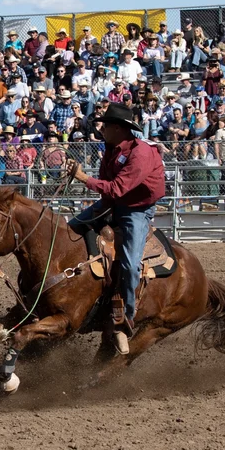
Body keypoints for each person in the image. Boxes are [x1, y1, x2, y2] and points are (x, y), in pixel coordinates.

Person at [65, 103, 165, 355]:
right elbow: (110, 188)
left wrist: (83, 178)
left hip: (136, 210)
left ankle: (125, 320)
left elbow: (118, 188)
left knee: (130, 264)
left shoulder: (141, 153)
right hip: (113, 204)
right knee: (69, 231)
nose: (102, 129)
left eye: (106, 125)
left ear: (119, 128)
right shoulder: (111, 149)